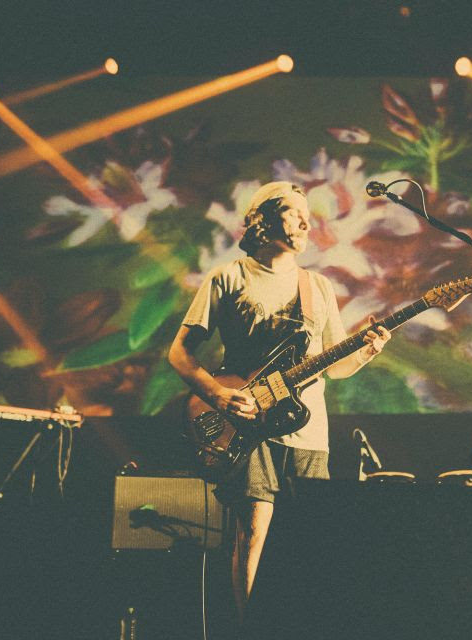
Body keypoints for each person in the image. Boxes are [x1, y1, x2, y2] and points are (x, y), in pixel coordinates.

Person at [167, 181, 390, 617]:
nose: (307, 222)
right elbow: (180, 353)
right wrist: (217, 395)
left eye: (308, 213)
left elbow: (334, 365)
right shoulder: (228, 277)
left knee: (307, 544)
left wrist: (365, 353)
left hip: (309, 433)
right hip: (250, 427)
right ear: (262, 220)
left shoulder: (318, 287)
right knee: (253, 537)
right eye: (294, 212)